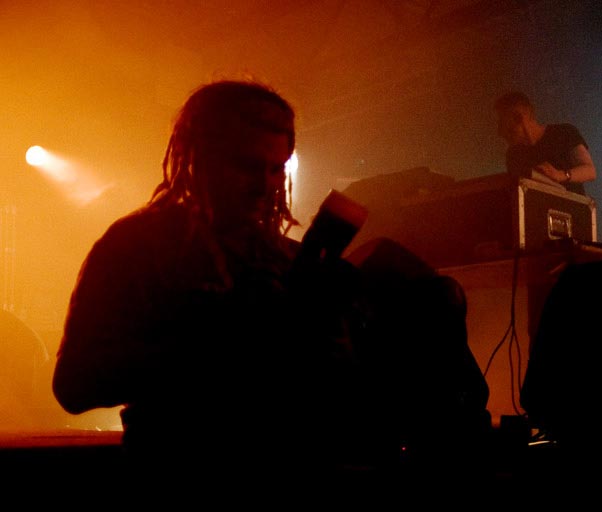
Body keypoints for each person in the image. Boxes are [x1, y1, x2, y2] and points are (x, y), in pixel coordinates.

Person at [51, 79, 491, 495]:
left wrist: (350, 338)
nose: (264, 185)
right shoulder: (135, 246)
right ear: (199, 157)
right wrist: (222, 333)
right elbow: (75, 384)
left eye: (276, 169)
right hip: (182, 477)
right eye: (246, 166)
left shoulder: (288, 257)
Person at [494, 90, 596, 195]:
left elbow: (590, 171)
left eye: (501, 123)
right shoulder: (513, 154)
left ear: (519, 117)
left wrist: (561, 175)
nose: (500, 132)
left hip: (571, 206)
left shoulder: (564, 132)